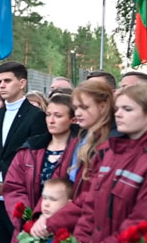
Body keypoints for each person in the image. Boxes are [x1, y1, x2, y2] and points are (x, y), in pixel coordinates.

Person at [72, 84, 147, 242]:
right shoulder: (111, 151)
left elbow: (142, 221)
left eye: (127, 109)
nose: (118, 114)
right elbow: (90, 207)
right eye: (117, 109)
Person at [29, 80, 116, 238]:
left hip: (88, 225)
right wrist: (42, 213)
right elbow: (61, 175)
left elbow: (91, 195)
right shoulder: (82, 138)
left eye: (84, 107)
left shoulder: (110, 143)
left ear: (102, 106)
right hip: (69, 221)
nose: (78, 113)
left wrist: (54, 220)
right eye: (76, 108)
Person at [0, 62, 48, 242]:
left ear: (22, 83)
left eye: (7, 81)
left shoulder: (36, 116)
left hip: (20, 200)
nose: (1, 85)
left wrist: (8, 187)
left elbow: (35, 161)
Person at [3, 94, 78, 241]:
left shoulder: (80, 152)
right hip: (31, 228)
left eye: (58, 115)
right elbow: (13, 187)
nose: (51, 120)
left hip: (66, 231)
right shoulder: (30, 149)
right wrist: (28, 218)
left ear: (72, 120)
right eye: (48, 114)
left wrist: (53, 220)